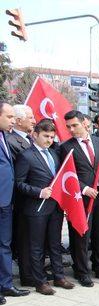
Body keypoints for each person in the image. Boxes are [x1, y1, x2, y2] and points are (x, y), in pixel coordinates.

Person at [59, 110, 99, 287]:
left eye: (74, 125)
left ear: (85, 123)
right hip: (80, 199)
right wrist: (84, 188)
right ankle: (82, 271)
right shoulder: (66, 147)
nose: (71, 129)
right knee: (81, 235)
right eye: (68, 126)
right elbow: (67, 175)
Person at [15, 119, 73, 295]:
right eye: (45, 136)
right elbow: (18, 184)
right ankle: (39, 281)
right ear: (35, 135)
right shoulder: (26, 156)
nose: (49, 140)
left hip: (55, 207)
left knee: (55, 244)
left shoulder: (54, 154)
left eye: (51, 137)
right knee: (37, 246)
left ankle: (59, 276)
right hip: (36, 209)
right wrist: (39, 192)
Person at [0, 101, 30, 305]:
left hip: (6, 201)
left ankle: (6, 284)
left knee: (4, 244)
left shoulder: (4, 137)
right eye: (9, 117)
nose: (13, 120)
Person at [6, 104, 36, 287]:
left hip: (36, 198)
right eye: (31, 117)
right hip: (23, 199)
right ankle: (27, 274)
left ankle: (34, 270)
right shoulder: (12, 141)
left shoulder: (29, 139)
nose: (34, 120)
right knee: (25, 239)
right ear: (18, 121)